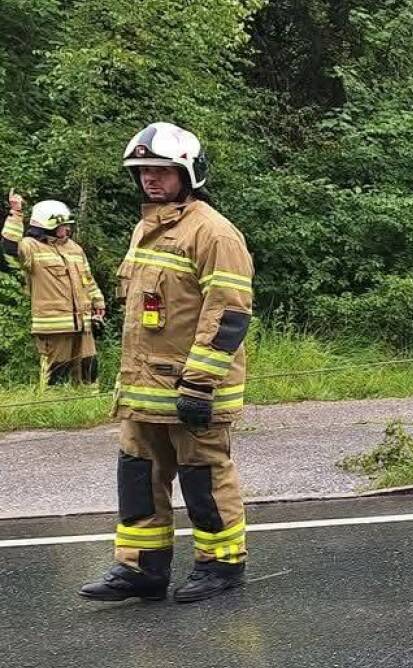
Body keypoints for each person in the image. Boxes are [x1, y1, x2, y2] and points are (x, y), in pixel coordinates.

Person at [79, 122, 255, 604]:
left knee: (204, 476)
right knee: (138, 476)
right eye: (142, 171)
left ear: (187, 173)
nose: (150, 179)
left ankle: (221, 564)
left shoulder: (214, 233)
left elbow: (229, 313)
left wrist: (200, 384)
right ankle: (141, 569)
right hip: (143, 391)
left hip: (191, 389)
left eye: (160, 170)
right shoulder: (146, 229)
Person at [2, 191, 106, 389]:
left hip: (83, 324)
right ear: (46, 225)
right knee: (57, 373)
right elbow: (9, 247)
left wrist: (98, 302)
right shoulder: (31, 247)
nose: (67, 229)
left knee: (89, 367)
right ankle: (54, 406)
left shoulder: (74, 248)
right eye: (62, 225)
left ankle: (89, 407)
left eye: (67, 225)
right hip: (54, 326)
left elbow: (88, 279)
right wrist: (16, 213)